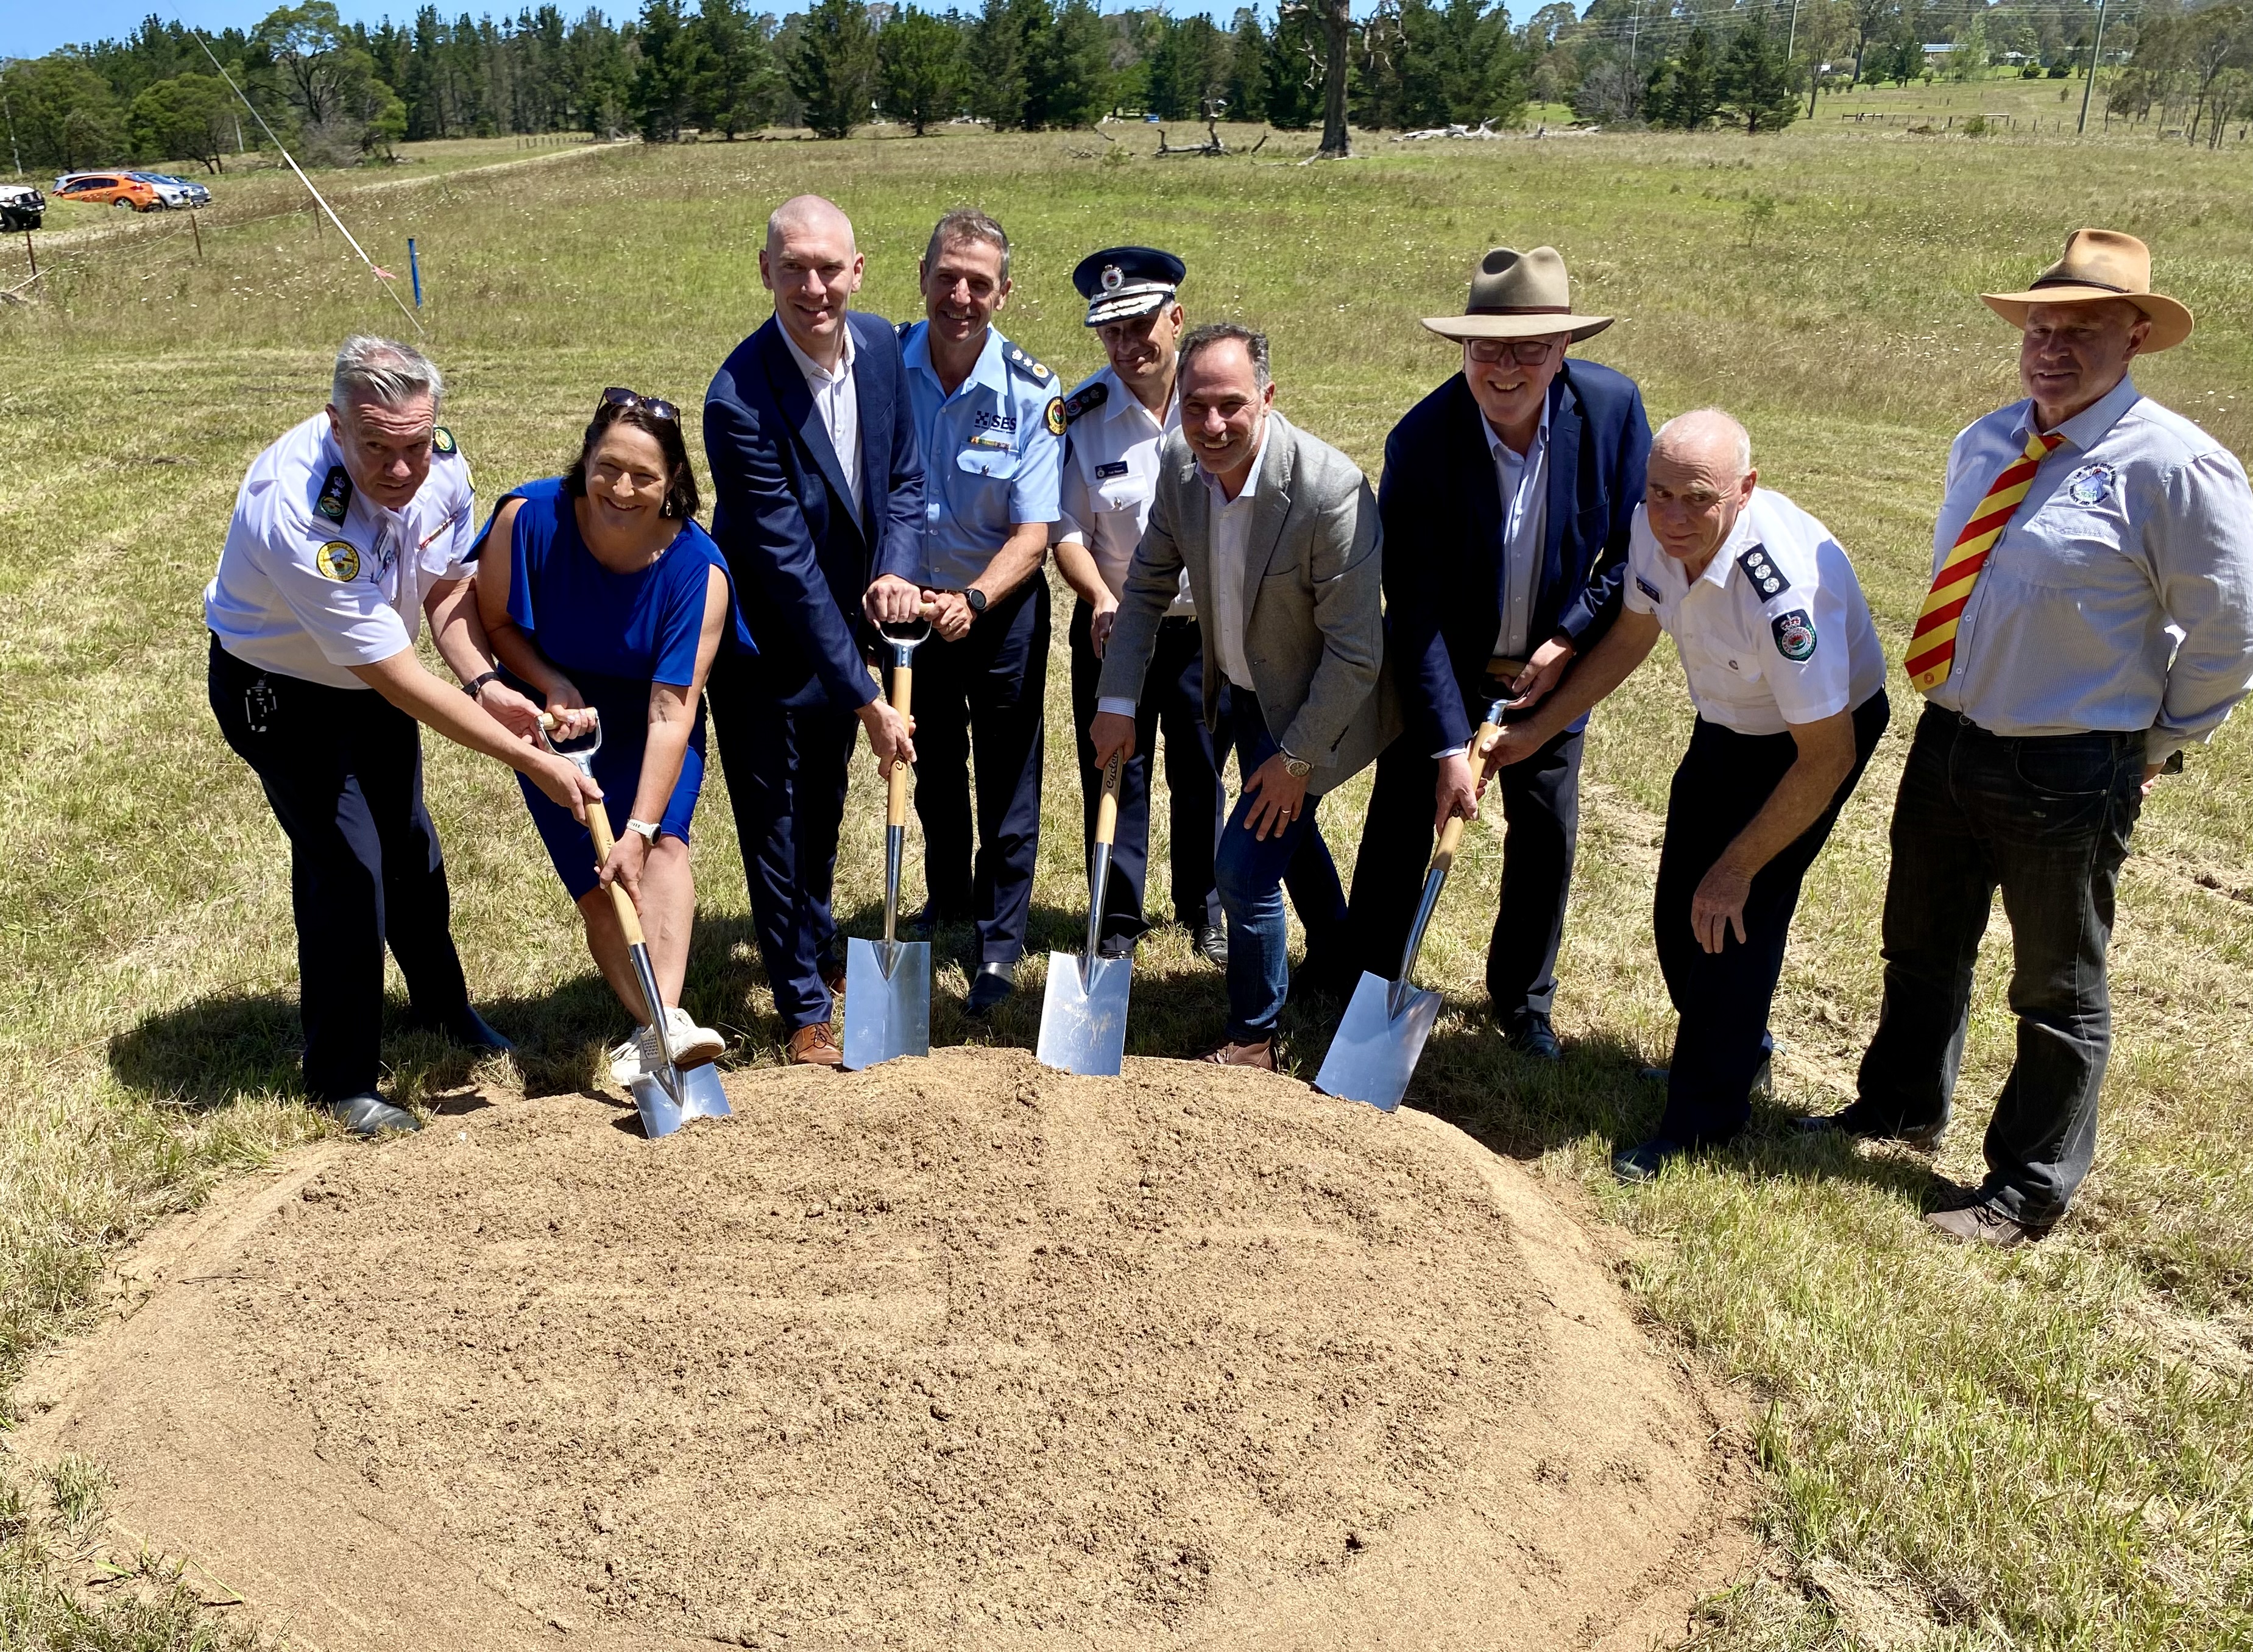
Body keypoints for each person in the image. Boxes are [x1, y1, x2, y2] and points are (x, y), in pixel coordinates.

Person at [1798, 229, 2253, 1246]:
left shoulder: (2175, 468)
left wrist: (2157, 740)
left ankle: (2027, 1184)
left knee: (2054, 982)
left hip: (2068, 760)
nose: (2050, 347)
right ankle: (1898, 1107)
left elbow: (2228, 631)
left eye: (2080, 331)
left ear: (2134, 336)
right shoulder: (1985, 440)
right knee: (1918, 946)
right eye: (2038, 328)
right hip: (1951, 737)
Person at [204, 336, 600, 1137]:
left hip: (367, 674)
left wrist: (488, 686)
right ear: (335, 426)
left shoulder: (441, 466)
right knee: (348, 870)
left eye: (414, 446)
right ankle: (341, 1078)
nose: (399, 470)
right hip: (276, 691)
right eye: (376, 449)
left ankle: (445, 1010)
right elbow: (398, 680)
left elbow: (446, 594)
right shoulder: (300, 511)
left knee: (410, 849)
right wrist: (527, 759)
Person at [1483, 411, 1890, 1180]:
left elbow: (1826, 756)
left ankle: (1702, 1119)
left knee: (1730, 917)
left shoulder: (1782, 594)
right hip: (1730, 724)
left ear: (1744, 491)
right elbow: (1632, 637)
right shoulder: (1650, 526)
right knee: (1679, 909)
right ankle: (1737, 1051)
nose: (1671, 516)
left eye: (1695, 499)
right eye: (1659, 493)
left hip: (1809, 742)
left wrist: (1738, 866)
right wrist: (1536, 732)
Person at [1345, 247, 1651, 1061]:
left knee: (1544, 832)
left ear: (1562, 351)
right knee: (1403, 822)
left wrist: (1565, 638)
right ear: (1463, 351)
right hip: (1444, 661)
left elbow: (1633, 550)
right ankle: (1367, 980)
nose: (1506, 369)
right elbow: (1412, 609)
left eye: (1528, 349)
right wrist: (1448, 742)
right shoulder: (1421, 440)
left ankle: (1523, 1001)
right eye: (1487, 349)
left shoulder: (1613, 412)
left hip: (1550, 671)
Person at [1091, 324, 1396, 1070]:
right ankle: (1339, 954)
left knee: (1244, 865)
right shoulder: (1177, 463)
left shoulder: (1329, 493)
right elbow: (1145, 588)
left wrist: (1295, 760)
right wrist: (1116, 701)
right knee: (1280, 827)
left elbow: (1357, 653)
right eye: (1195, 407)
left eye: (1231, 405)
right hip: (1245, 685)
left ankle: (1255, 1035)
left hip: (1325, 700)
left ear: (1266, 397)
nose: (1213, 425)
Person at [1053, 244, 1348, 971]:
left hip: (1204, 634)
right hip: (1111, 627)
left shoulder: (1218, 403)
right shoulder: (1084, 415)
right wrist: (1099, 597)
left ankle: (1203, 902)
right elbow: (1064, 527)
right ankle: (1115, 917)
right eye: (1109, 333)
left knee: (1200, 772)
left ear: (1173, 320)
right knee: (1114, 767)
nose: (1124, 346)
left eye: (1139, 327)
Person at [702, 194, 927, 1067]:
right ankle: (801, 1005)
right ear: (765, 273)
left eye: (828, 267)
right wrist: (869, 694)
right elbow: (788, 569)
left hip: (848, 636)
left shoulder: (877, 346)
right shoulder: (739, 399)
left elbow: (903, 477)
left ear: (857, 270)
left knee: (825, 807)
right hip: (766, 642)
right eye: (792, 268)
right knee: (778, 823)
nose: (812, 286)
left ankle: (819, 949)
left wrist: (896, 568)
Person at [470, 389, 745, 1083]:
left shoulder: (697, 571)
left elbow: (670, 713)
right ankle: (660, 1027)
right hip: (557, 725)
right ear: (585, 458)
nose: (622, 489)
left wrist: (642, 827)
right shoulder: (527, 520)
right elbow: (497, 624)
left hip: (653, 719)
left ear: (674, 481)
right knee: (599, 888)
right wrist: (551, 684)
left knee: (662, 852)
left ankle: (664, 1021)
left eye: (644, 476)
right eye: (607, 467)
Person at [898, 207, 1065, 1015]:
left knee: (1006, 781)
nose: (959, 296)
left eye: (978, 282)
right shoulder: (880, 367)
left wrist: (971, 599)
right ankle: (948, 898)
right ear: (922, 278)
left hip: (998, 610)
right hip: (906, 609)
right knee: (930, 769)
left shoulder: (1034, 392)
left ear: (1003, 292)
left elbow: (1034, 532)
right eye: (947, 278)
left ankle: (999, 944)